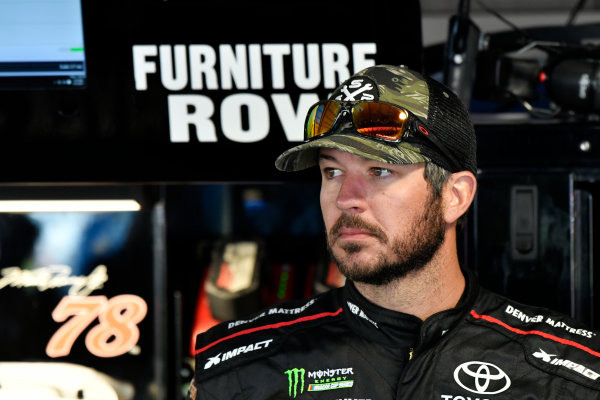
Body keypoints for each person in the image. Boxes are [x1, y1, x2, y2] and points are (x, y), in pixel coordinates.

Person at [187, 65, 600, 399]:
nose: (346, 197)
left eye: (380, 170)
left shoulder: (568, 377)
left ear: (454, 196)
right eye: (331, 171)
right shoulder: (238, 373)